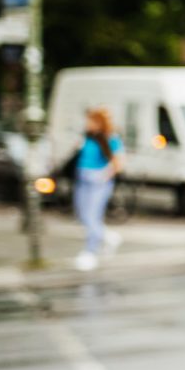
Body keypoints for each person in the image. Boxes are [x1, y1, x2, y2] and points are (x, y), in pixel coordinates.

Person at [60, 107, 120, 270]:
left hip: (97, 182)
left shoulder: (109, 138)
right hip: (82, 179)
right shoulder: (88, 137)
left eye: (91, 121)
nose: (87, 124)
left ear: (99, 123)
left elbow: (118, 162)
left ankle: (90, 253)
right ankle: (109, 237)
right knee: (82, 215)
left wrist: (103, 176)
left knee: (92, 217)